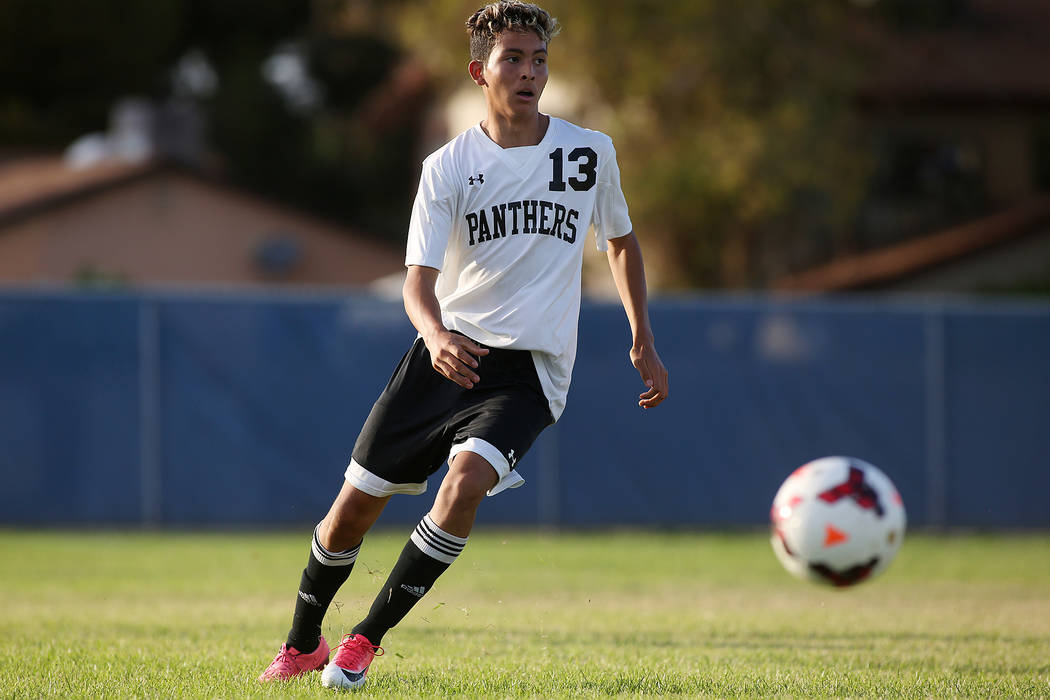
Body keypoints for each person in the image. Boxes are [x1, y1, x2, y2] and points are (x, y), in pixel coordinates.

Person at [259, 1, 669, 690]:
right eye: (514, 58)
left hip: (531, 372)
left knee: (465, 482)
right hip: (446, 355)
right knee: (350, 513)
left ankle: (366, 637)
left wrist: (643, 338)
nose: (530, 71)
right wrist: (436, 336)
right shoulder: (447, 167)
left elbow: (621, 242)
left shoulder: (588, 153)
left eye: (539, 59)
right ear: (480, 72)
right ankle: (304, 644)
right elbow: (417, 286)